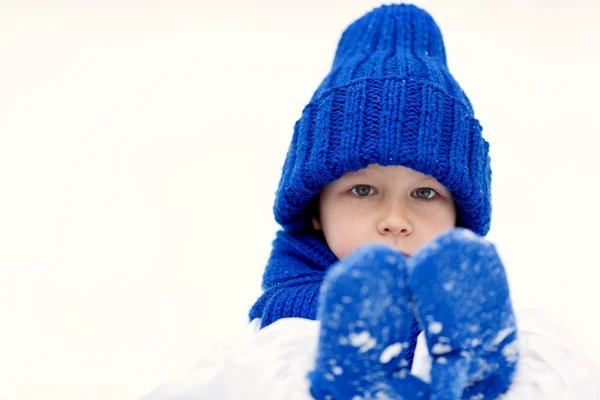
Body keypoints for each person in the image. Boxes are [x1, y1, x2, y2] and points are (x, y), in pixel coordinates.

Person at [140, 4, 599, 399]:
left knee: (538, 354)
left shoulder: (507, 330)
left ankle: (478, 380)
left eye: (425, 193)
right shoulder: (265, 346)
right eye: (363, 190)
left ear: (460, 214)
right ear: (315, 211)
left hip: (489, 350)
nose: (396, 220)